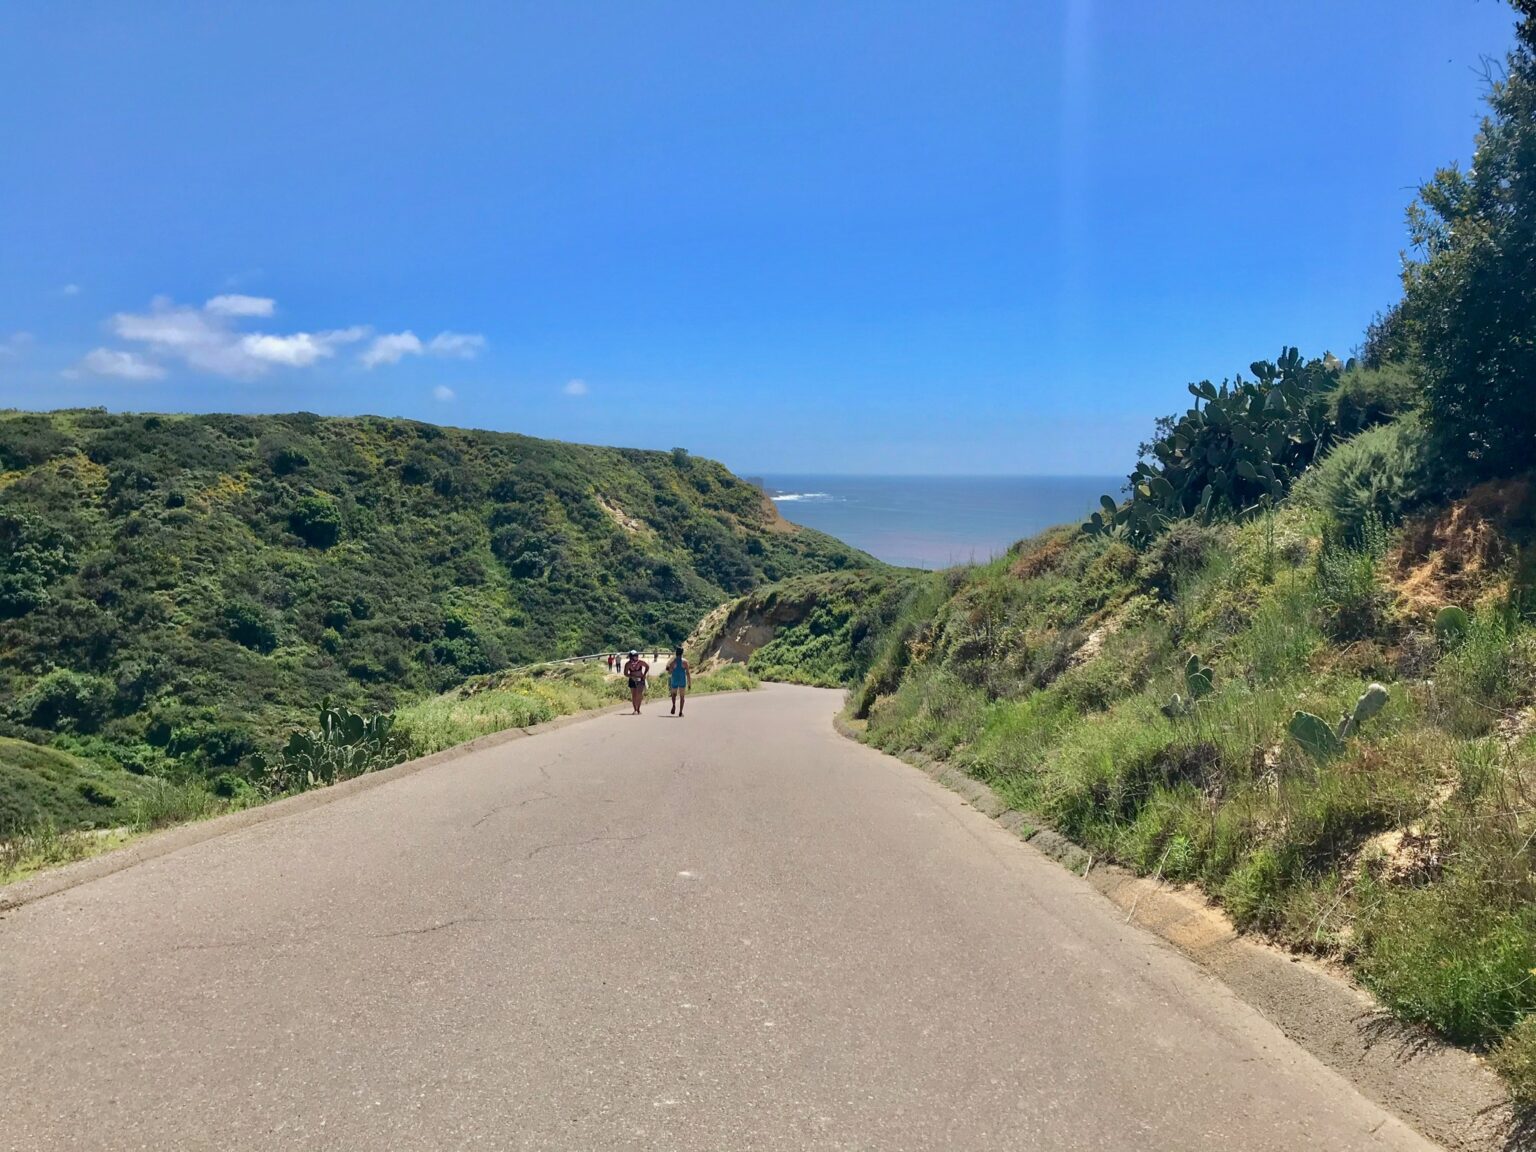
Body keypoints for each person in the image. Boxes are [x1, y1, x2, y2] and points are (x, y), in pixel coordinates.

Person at [666, 645, 691, 716]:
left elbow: (670, 672)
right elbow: (688, 673)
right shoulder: (685, 662)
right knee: (682, 697)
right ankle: (680, 712)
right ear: (682, 653)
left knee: (673, 694)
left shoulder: (673, 662)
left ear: (676, 653)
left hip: (675, 679)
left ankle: (674, 705)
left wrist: (669, 669)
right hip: (682, 680)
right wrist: (689, 683)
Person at [622, 649, 649, 714]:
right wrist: (631, 676)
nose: (636, 657)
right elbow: (625, 673)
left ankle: (638, 709)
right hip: (632, 680)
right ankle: (635, 709)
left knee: (639, 694)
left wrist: (644, 674)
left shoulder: (640, 662)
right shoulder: (628, 664)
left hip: (640, 679)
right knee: (634, 695)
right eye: (634, 656)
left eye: (636, 655)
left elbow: (647, 666)